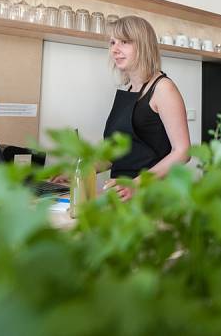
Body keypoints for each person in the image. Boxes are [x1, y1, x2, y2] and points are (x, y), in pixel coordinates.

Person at [56, 15, 190, 201]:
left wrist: (136, 184)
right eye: (112, 42)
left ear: (143, 45)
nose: (115, 50)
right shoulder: (128, 91)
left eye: (124, 42)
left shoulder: (163, 88)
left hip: (153, 196)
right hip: (121, 196)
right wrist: (80, 172)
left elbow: (182, 152)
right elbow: (114, 155)